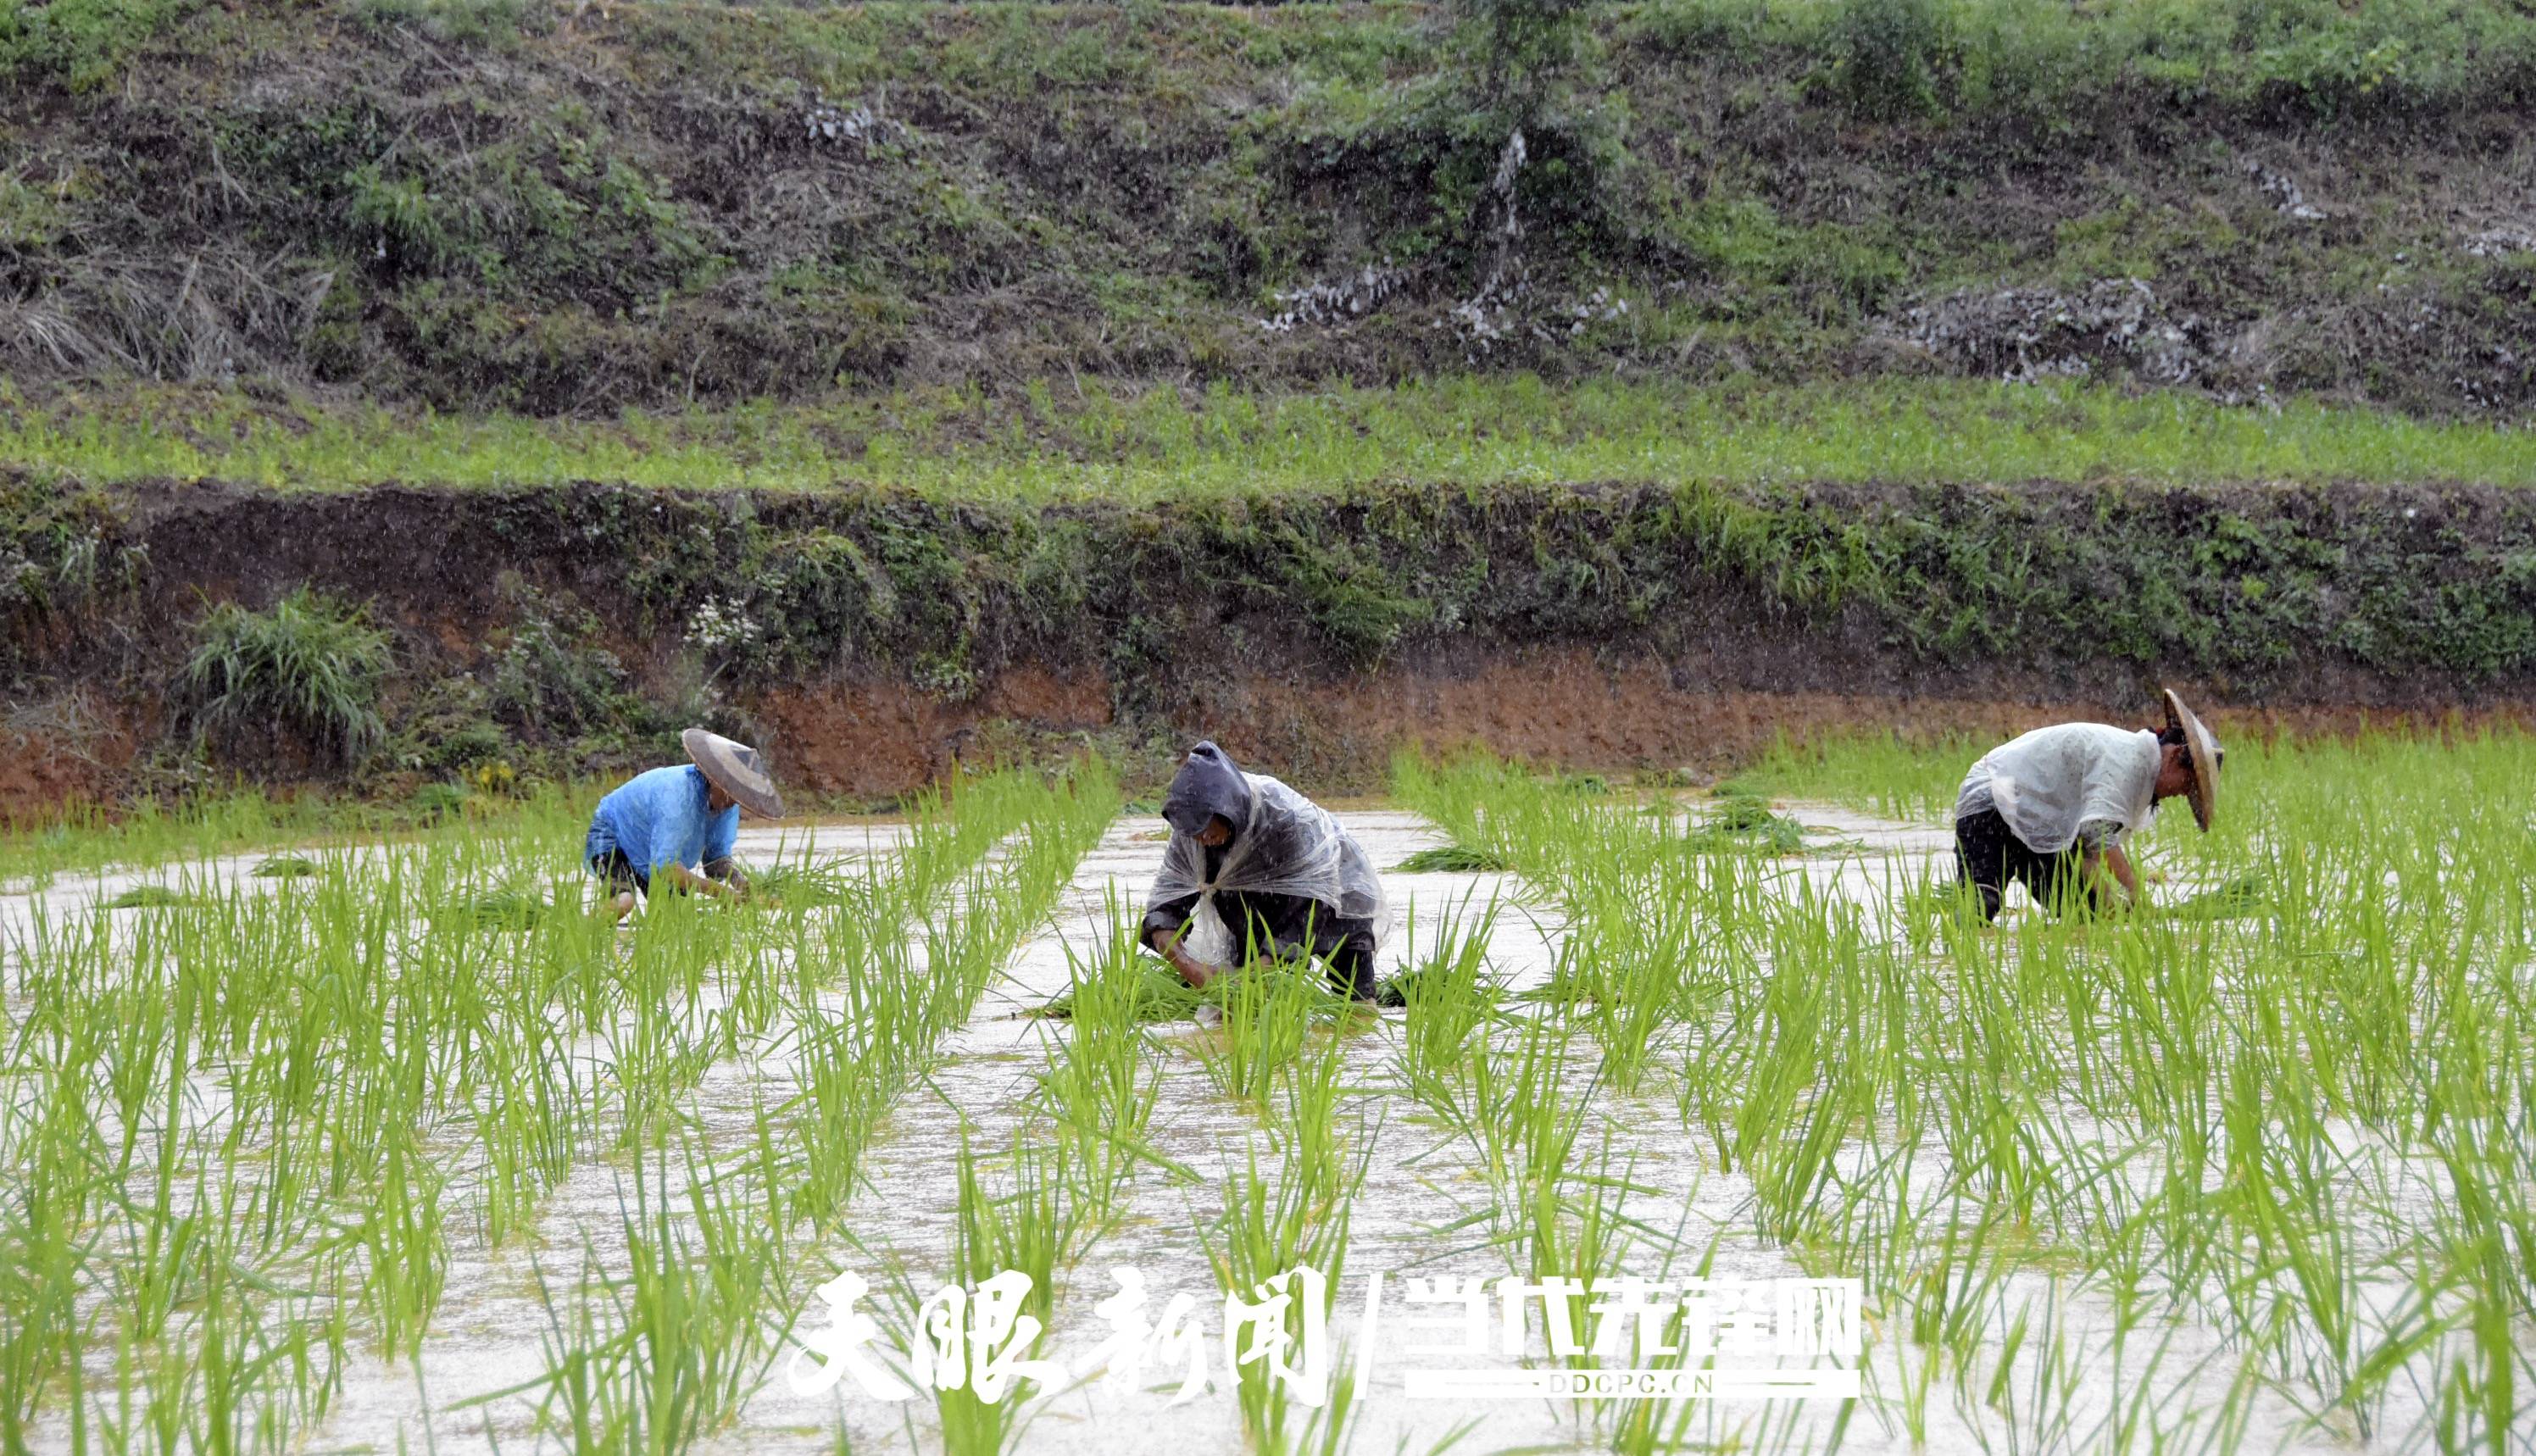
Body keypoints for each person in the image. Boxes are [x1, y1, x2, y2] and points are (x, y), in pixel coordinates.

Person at [1143, 741, 1388, 1001]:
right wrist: (1187, 964)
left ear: (1228, 810)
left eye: (1209, 831)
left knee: (1355, 1003)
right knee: (1244, 1006)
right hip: (1252, 905)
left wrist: (1263, 965)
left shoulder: (1286, 819)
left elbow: (1310, 910)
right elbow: (1166, 904)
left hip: (1335, 896)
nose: (1202, 839)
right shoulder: (1190, 835)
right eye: (1195, 834)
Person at [1950, 689, 2222, 921]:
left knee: (2087, 910)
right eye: (2187, 785)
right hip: (1994, 798)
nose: (2181, 794)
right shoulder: (2127, 761)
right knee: (1980, 903)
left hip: (2043, 824)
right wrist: (2136, 892)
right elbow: (2098, 832)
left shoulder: (2137, 767)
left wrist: (2112, 903)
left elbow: (2088, 849)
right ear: (2175, 756)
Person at [587, 728, 783, 922]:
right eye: (729, 793)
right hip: (613, 832)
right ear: (714, 780)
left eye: (737, 797)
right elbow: (667, 869)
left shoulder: (727, 805)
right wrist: (723, 893)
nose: (732, 802)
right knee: (624, 901)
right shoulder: (679, 798)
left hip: (650, 846)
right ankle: (581, 932)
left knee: (674, 922)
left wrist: (743, 884)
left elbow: (717, 860)